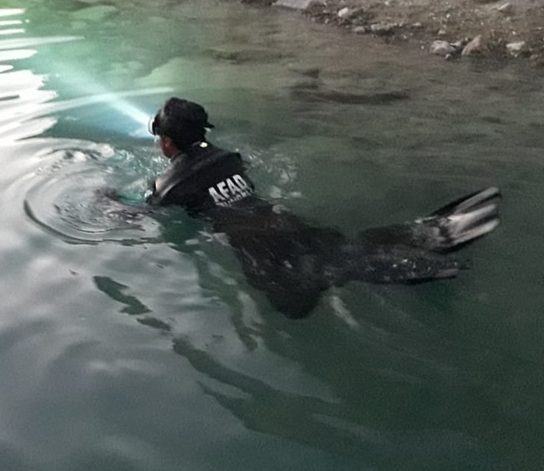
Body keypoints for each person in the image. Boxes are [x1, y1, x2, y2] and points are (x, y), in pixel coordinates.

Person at [140, 97, 501, 319]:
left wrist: (108, 199)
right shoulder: (230, 157)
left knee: (295, 302)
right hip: (284, 220)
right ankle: (420, 234)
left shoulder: (168, 187)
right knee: (337, 247)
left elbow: (146, 214)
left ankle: (408, 262)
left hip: (257, 245)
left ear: (168, 143)